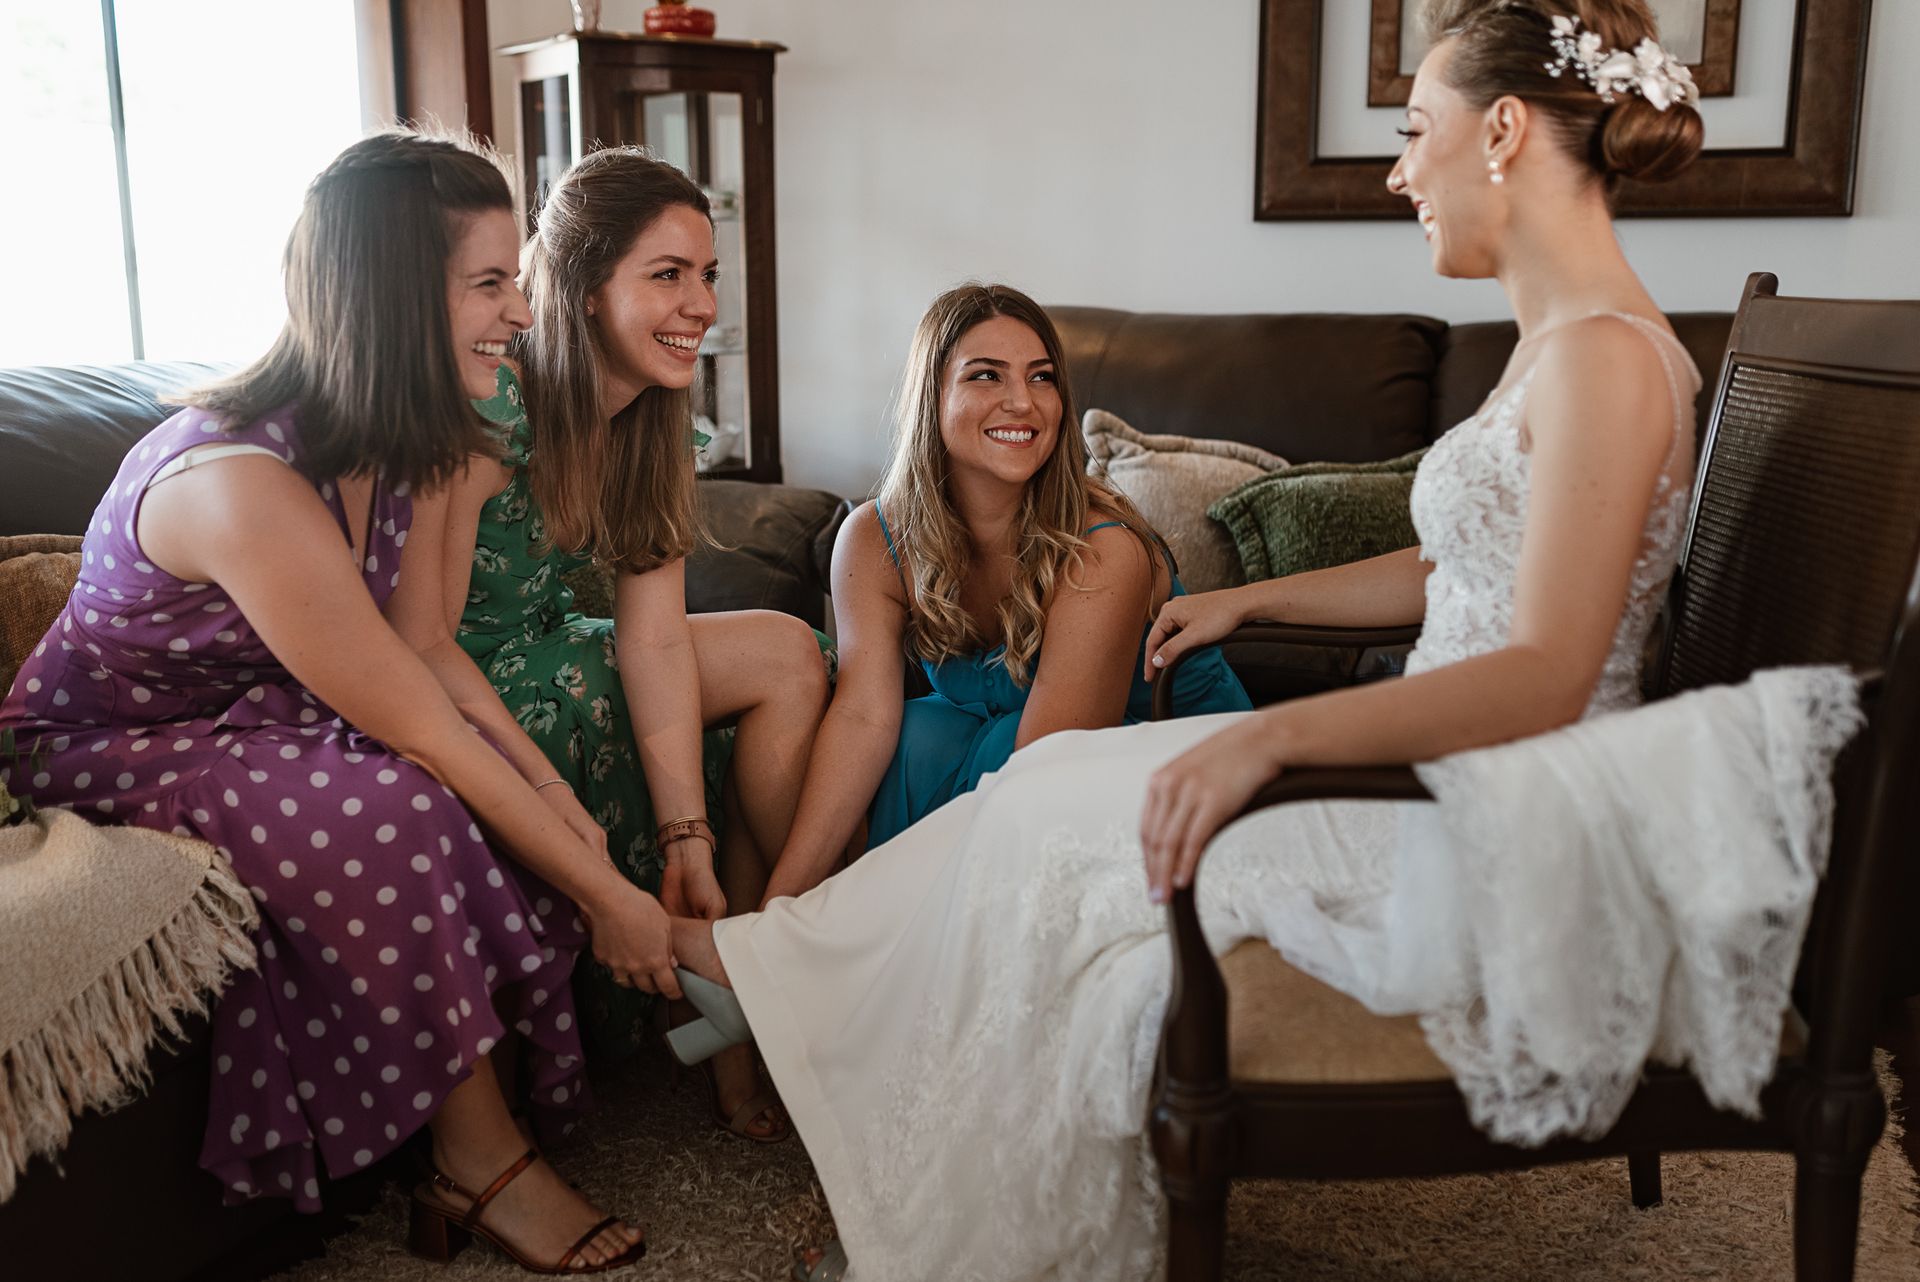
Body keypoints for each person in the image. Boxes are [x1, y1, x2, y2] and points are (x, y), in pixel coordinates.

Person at [662, 2, 1716, 1277]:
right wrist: (1249, 600)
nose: (1399, 170)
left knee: (1055, 807)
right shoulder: (1563, 350)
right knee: (1049, 786)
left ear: (1500, 132)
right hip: (1445, 784)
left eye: (1414, 129)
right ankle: (815, 1011)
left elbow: (1546, 671)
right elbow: (1454, 570)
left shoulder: (1604, 360)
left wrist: (1261, 744)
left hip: (1484, 823)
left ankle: (778, 983)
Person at [0, 132, 660, 1273]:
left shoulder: (400, 437)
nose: (521, 312)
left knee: (479, 788)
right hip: (107, 745)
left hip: (263, 714)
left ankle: (471, 1134)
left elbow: (427, 652)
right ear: (398, 296)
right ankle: (478, 1161)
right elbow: (414, 719)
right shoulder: (239, 481)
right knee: (396, 806)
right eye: (491, 283)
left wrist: (566, 809)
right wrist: (598, 888)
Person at [398, 146, 829, 1142]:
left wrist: (689, 835)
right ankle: (751, 995)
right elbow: (421, 634)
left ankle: (759, 965)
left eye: (708, 275)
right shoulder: (493, 406)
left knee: (795, 654)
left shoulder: (657, 426)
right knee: (759, 660)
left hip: (566, 648)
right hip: (460, 683)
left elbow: (657, 639)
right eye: (667, 275)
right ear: (587, 289)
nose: (700, 306)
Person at [755, 284, 1250, 906]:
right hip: (1013, 755)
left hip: (1165, 772)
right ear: (932, 395)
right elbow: (862, 717)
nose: (1022, 402)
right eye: (987, 375)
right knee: (914, 735)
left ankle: (900, 940)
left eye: (1042, 378)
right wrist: (784, 904)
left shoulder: (1103, 547)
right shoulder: (873, 537)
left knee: (964, 745)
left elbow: (1051, 761)